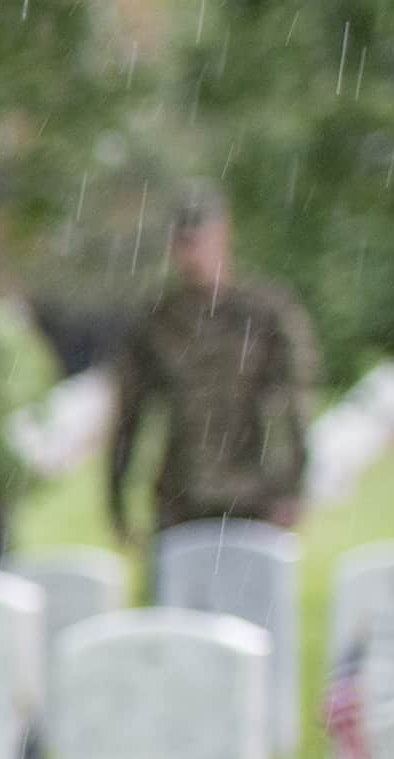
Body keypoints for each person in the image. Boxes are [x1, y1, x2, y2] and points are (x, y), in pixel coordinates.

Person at [104, 186, 323, 542]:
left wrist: (294, 489)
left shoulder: (267, 312)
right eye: (183, 241)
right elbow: (129, 414)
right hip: (180, 497)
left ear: (223, 233)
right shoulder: (158, 320)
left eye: (199, 238)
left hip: (253, 494)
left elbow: (295, 404)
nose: (192, 252)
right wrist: (117, 500)